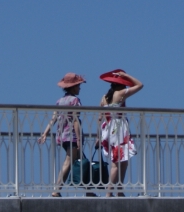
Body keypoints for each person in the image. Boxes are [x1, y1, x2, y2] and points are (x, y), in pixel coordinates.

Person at [38, 73, 87, 197]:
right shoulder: (75, 100)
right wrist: (79, 139)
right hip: (71, 135)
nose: (80, 88)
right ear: (73, 87)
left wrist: (45, 133)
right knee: (69, 161)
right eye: (78, 86)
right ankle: (57, 189)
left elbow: (53, 119)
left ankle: (89, 189)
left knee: (81, 160)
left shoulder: (59, 101)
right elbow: (75, 120)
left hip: (62, 135)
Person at [97, 69, 143, 197]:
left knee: (122, 160)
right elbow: (140, 85)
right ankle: (110, 192)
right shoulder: (121, 93)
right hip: (119, 129)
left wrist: (98, 136)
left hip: (107, 129)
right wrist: (127, 75)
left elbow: (100, 117)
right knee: (117, 163)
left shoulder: (104, 97)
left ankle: (119, 189)